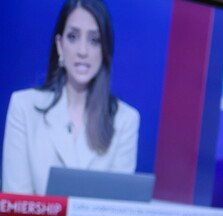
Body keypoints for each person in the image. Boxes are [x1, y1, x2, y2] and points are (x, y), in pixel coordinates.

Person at [2, 0, 139, 195]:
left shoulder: (125, 120)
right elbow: (18, 206)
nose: (82, 51)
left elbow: (115, 212)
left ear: (105, 49)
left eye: (94, 40)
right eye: (73, 37)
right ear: (60, 45)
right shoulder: (24, 107)